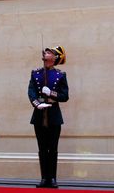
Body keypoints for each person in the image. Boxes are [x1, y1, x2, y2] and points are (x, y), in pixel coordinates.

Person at [27, 46, 69, 188]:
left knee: (53, 148)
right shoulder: (36, 73)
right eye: (46, 52)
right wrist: (37, 104)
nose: (46, 53)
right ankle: (44, 178)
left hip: (54, 115)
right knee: (42, 148)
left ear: (55, 58)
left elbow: (65, 96)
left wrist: (51, 93)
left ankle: (52, 179)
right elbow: (31, 91)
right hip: (39, 114)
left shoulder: (60, 75)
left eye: (49, 52)